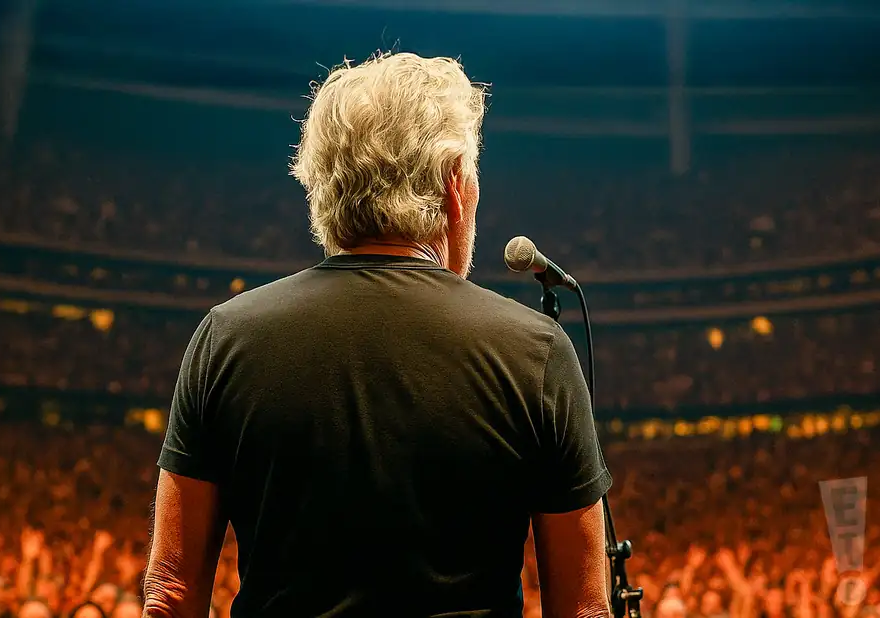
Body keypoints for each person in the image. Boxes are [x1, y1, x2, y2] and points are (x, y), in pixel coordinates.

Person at [143, 51, 612, 618]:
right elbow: (584, 610)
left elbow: (170, 595)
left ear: (321, 185)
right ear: (454, 186)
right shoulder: (532, 352)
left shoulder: (226, 338)